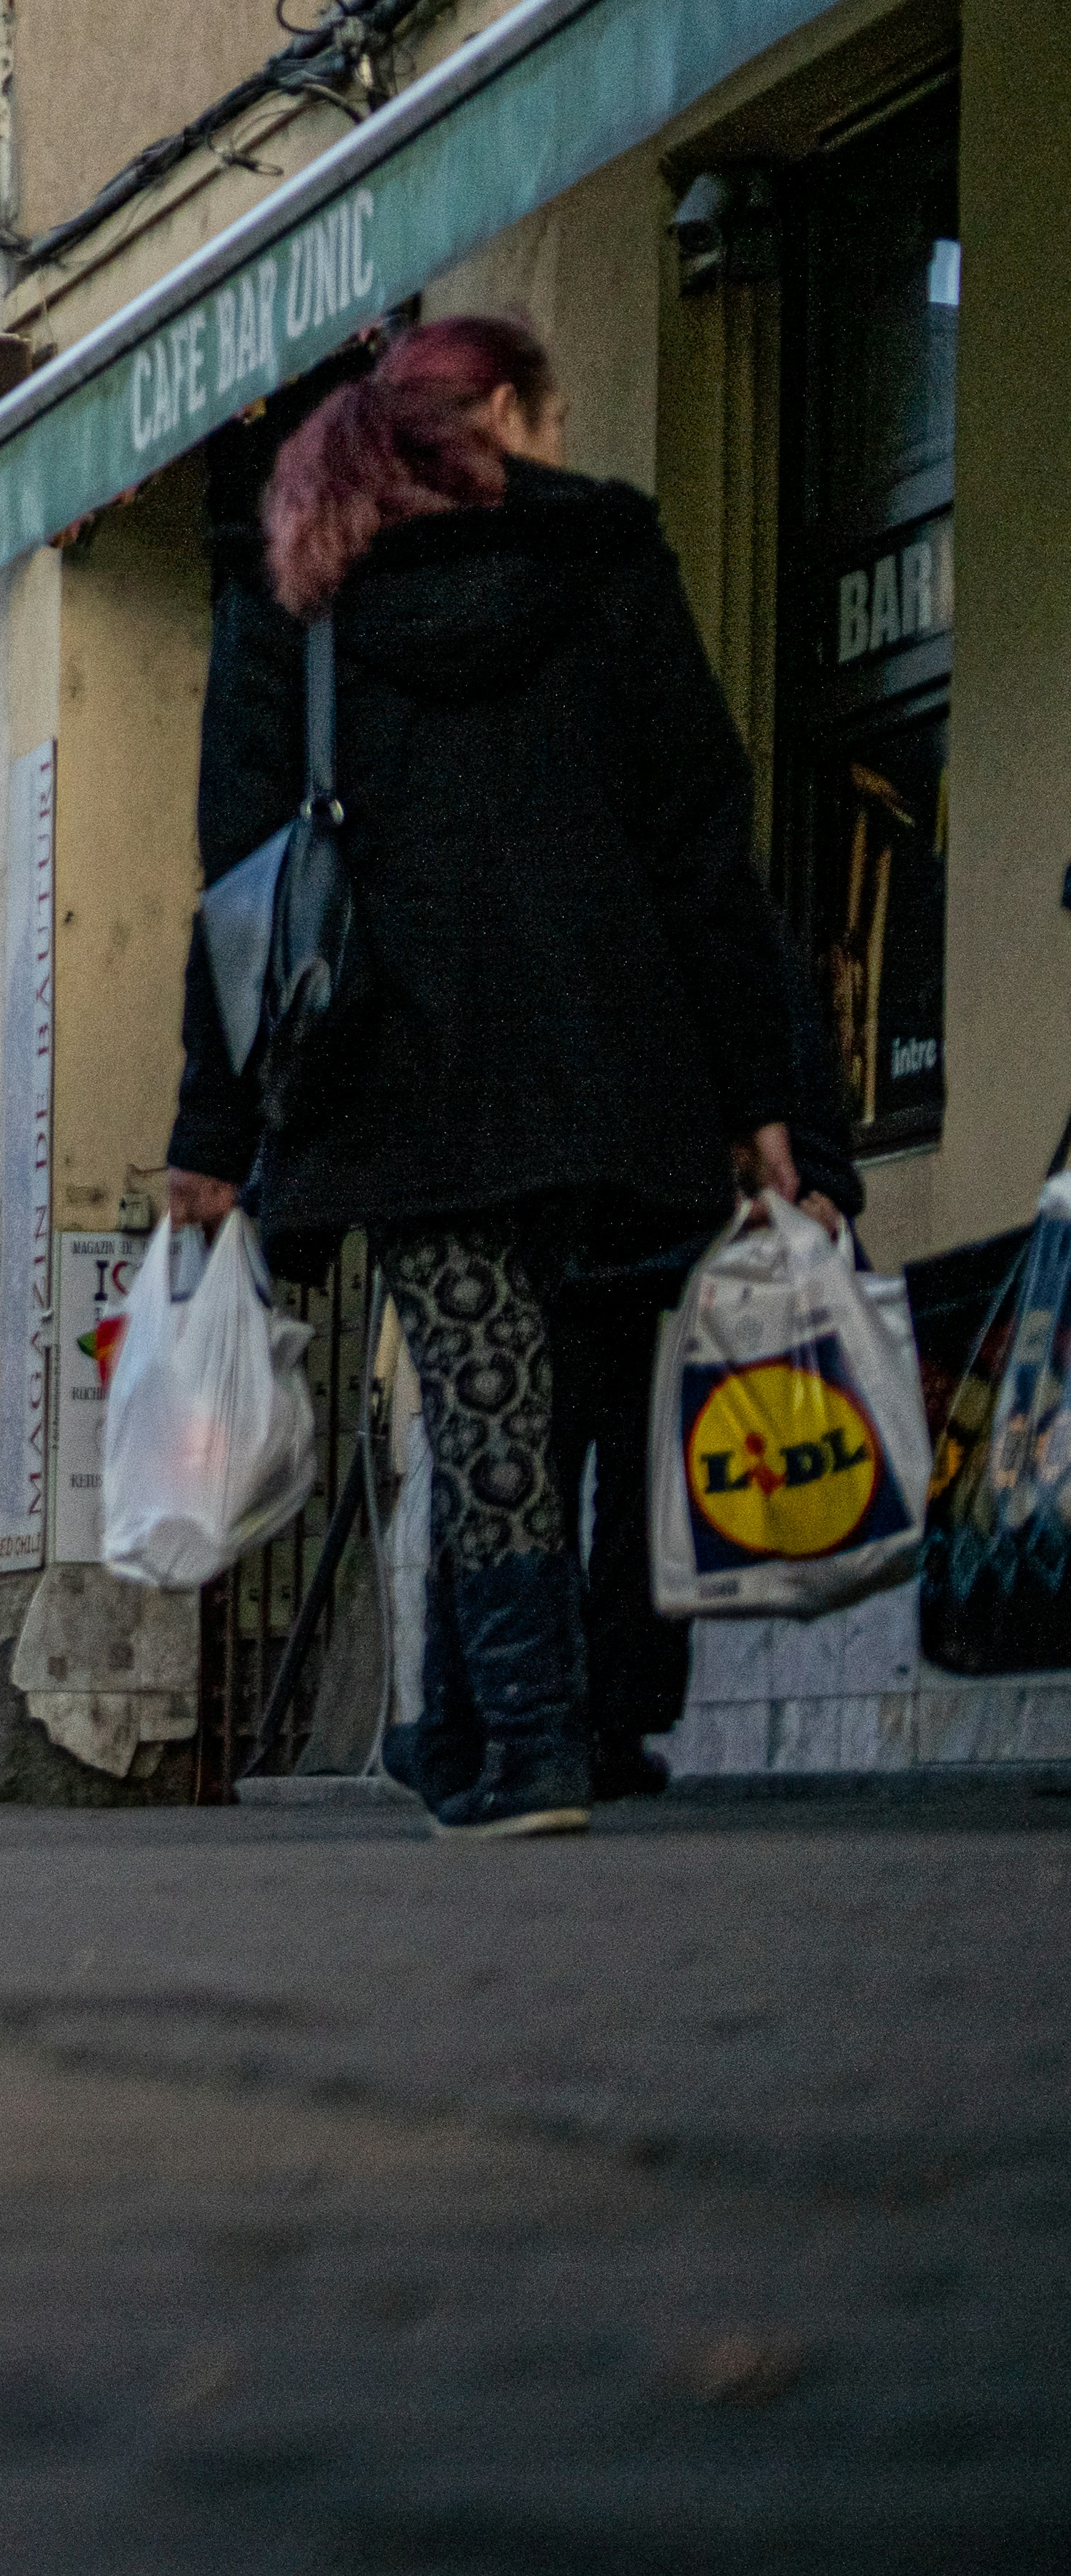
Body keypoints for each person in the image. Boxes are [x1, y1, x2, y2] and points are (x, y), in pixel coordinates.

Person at [164, 313, 849, 1840]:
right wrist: (758, 1093)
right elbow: (699, 841)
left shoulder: (297, 598)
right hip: (611, 1053)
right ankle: (494, 1731)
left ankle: (525, 1740)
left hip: (393, 1058)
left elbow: (244, 888)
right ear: (500, 416)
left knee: (484, 1395)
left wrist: (212, 1126)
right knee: (544, 1389)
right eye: (545, 412)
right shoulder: (609, 561)